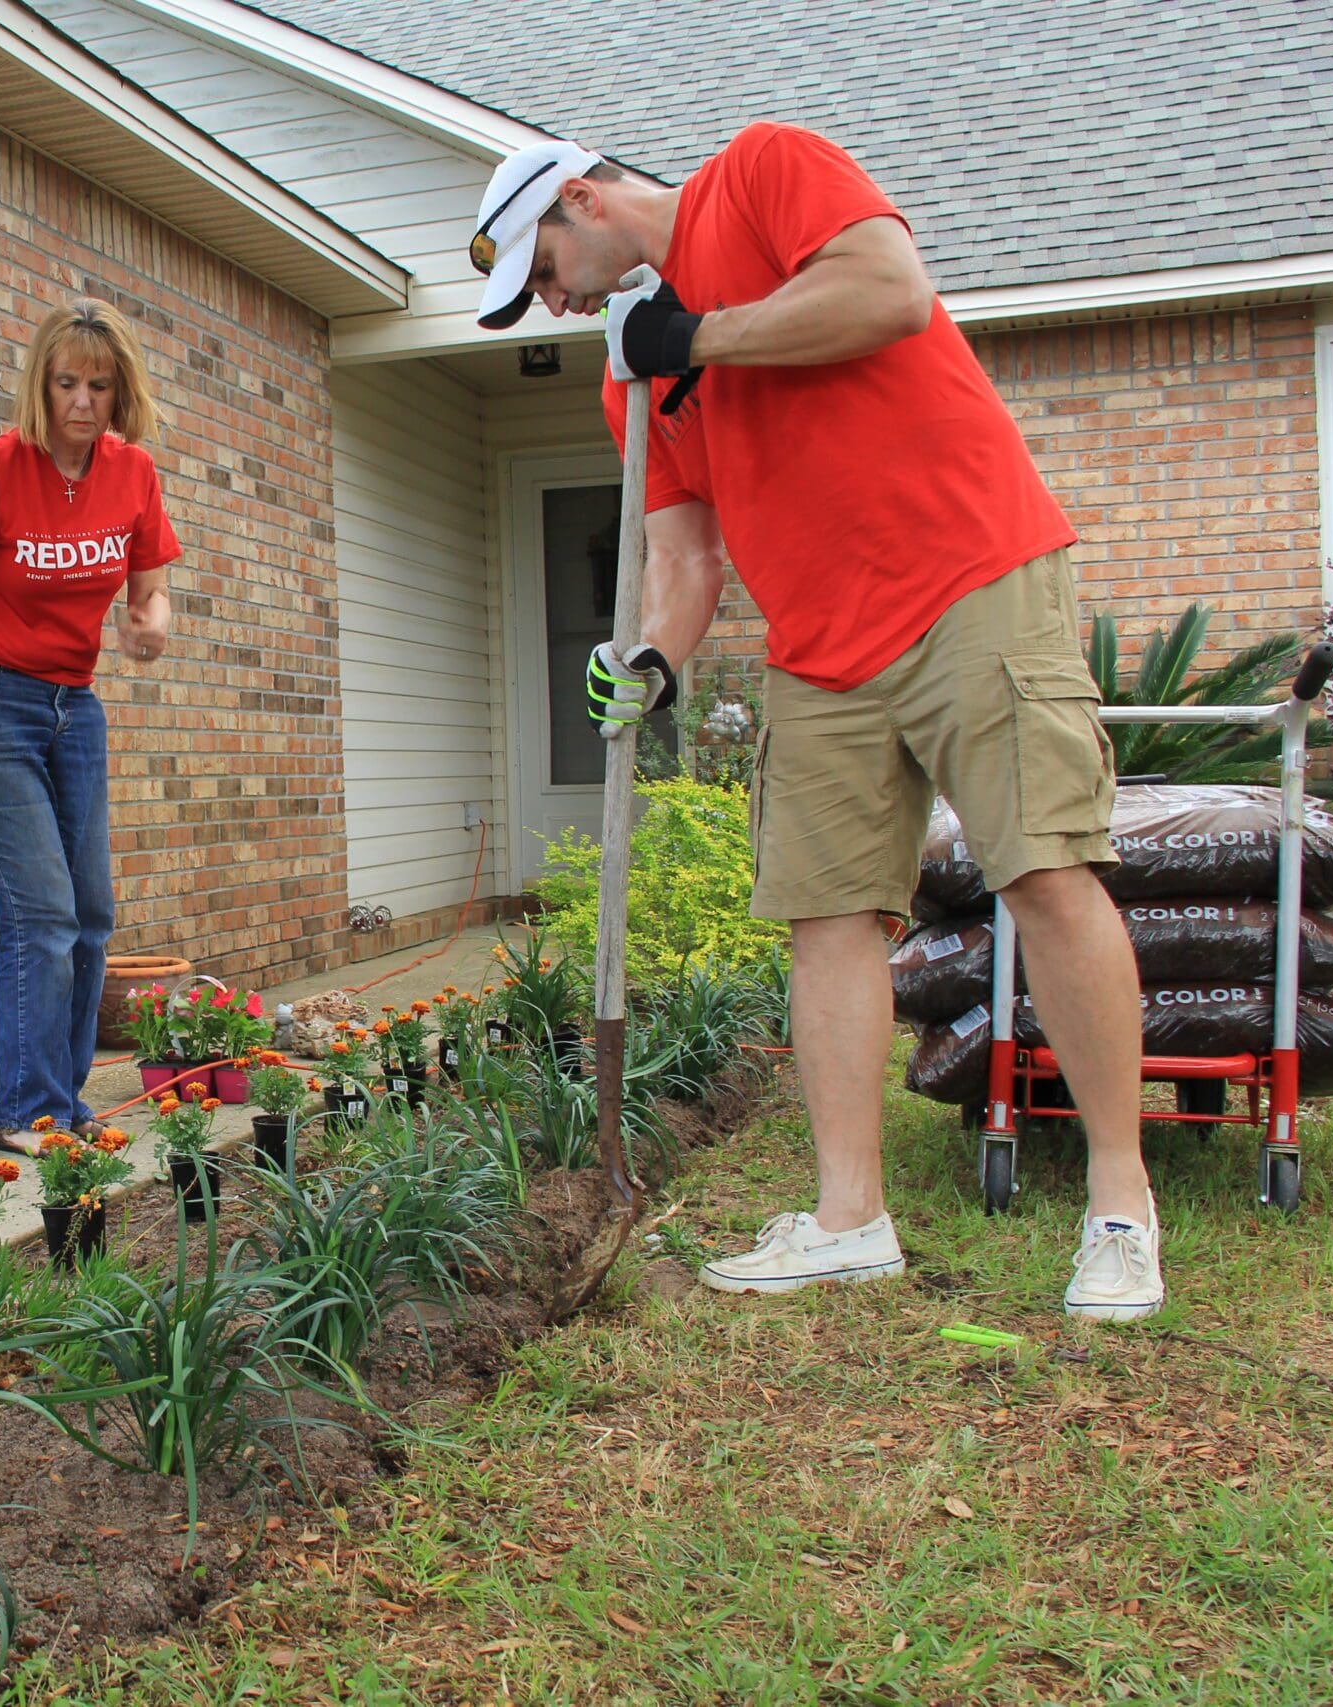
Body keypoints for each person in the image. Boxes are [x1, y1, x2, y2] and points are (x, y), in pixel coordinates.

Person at [470, 127, 1162, 1320]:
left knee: (1044, 872)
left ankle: (1119, 1206)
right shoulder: (630, 372)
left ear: (581, 199)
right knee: (827, 914)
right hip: (818, 645)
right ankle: (850, 1220)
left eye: (542, 269)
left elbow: (886, 293)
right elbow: (684, 558)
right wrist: (651, 659)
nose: (552, 299)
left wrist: (695, 336)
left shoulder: (763, 173)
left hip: (968, 581)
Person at [0, 298, 180, 1155]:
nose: (82, 401)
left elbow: (152, 592)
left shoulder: (133, 474)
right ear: (41, 385)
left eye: (99, 385)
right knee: (43, 910)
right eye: (66, 383)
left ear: (121, 390)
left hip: (75, 705)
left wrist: (151, 625)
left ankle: (65, 1098)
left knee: (91, 912)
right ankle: (26, 1109)